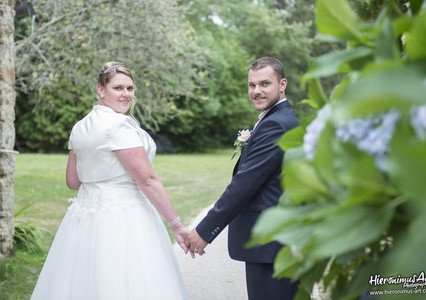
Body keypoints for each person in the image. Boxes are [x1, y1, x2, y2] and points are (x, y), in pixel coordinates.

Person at [31, 61, 190, 300]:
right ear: (101, 90)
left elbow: (73, 181)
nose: (126, 94)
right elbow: (147, 180)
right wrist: (176, 225)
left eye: (130, 88)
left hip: (84, 219)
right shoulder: (118, 126)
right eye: (118, 88)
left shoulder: (79, 127)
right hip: (124, 217)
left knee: (83, 282)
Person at [187, 57, 300, 299]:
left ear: (282, 84)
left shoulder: (276, 125)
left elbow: (244, 185)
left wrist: (204, 231)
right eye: (251, 85)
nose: (256, 91)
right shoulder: (277, 119)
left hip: (269, 242)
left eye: (264, 84)